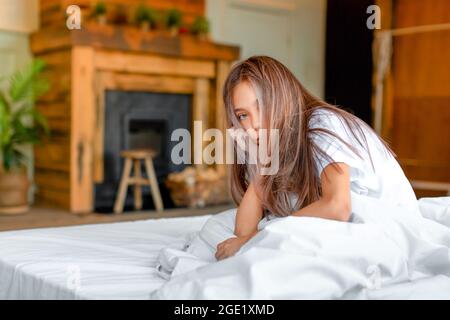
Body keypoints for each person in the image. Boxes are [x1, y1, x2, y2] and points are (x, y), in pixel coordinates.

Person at [215, 56, 418, 261]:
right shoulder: (279, 146)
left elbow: (337, 207)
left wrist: (254, 239)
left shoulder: (321, 123)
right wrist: (264, 162)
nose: (254, 124)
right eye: (243, 115)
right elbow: (242, 232)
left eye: (262, 105)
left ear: (282, 97)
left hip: (393, 234)